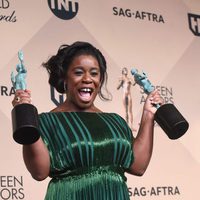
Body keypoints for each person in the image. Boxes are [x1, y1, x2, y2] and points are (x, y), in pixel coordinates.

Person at [12, 41, 163, 200]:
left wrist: (148, 115)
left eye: (94, 73)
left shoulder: (115, 121)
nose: (87, 79)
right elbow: (39, 172)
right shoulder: (46, 122)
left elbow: (138, 166)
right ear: (65, 78)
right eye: (78, 72)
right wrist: (24, 114)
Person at [117, 67, 137, 131]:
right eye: (124, 70)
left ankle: (131, 126)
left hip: (129, 95)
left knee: (130, 111)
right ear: (122, 71)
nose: (126, 71)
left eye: (126, 70)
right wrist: (121, 82)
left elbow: (134, 83)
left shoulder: (129, 79)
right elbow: (117, 87)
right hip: (124, 95)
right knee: (125, 111)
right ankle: (126, 126)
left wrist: (135, 78)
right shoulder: (121, 79)